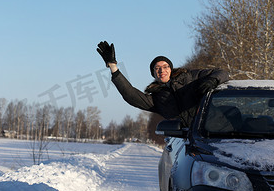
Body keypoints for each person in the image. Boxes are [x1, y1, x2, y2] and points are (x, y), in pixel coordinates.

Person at [96, 41, 229, 127]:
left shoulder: (190, 76)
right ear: (154, 74)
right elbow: (130, 94)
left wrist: (212, 81)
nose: (162, 70)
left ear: (171, 69)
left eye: (165, 67)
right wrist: (113, 66)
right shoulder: (156, 98)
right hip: (190, 139)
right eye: (157, 68)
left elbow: (221, 72)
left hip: (219, 128)